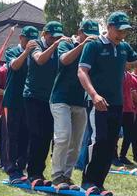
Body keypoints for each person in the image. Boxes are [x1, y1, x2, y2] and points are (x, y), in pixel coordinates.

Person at [78, 11, 137, 195]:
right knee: (98, 140)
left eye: (125, 31)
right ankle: (87, 182)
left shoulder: (124, 47)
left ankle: (99, 183)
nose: (122, 35)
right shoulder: (93, 45)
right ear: (109, 27)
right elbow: (82, 72)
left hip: (117, 104)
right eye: (119, 30)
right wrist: (94, 95)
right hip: (97, 102)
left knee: (110, 144)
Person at [49, 20, 99, 190]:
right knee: (63, 137)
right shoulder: (66, 43)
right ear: (80, 32)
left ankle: (66, 176)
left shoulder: (93, 50)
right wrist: (82, 44)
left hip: (80, 101)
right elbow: (64, 60)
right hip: (60, 99)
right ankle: (57, 176)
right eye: (88, 34)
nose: (92, 38)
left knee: (76, 143)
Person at [23, 21, 68, 186]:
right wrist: (56, 45)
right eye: (52, 36)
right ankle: (33, 173)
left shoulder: (59, 49)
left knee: (48, 136)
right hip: (33, 97)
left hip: (50, 99)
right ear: (45, 34)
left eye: (58, 36)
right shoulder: (36, 45)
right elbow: (40, 60)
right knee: (36, 135)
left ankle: (39, 172)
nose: (54, 39)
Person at [3, 26, 39, 184]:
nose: (30, 42)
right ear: (21, 38)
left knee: (27, 134)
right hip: (13, 100)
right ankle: (11, 169)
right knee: (13, 135)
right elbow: (15, 66)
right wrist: (25, 53)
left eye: (33, 39)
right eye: (28, 39)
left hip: (29, 101)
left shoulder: (35, 55)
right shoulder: (12, 51)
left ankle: (21, 165)